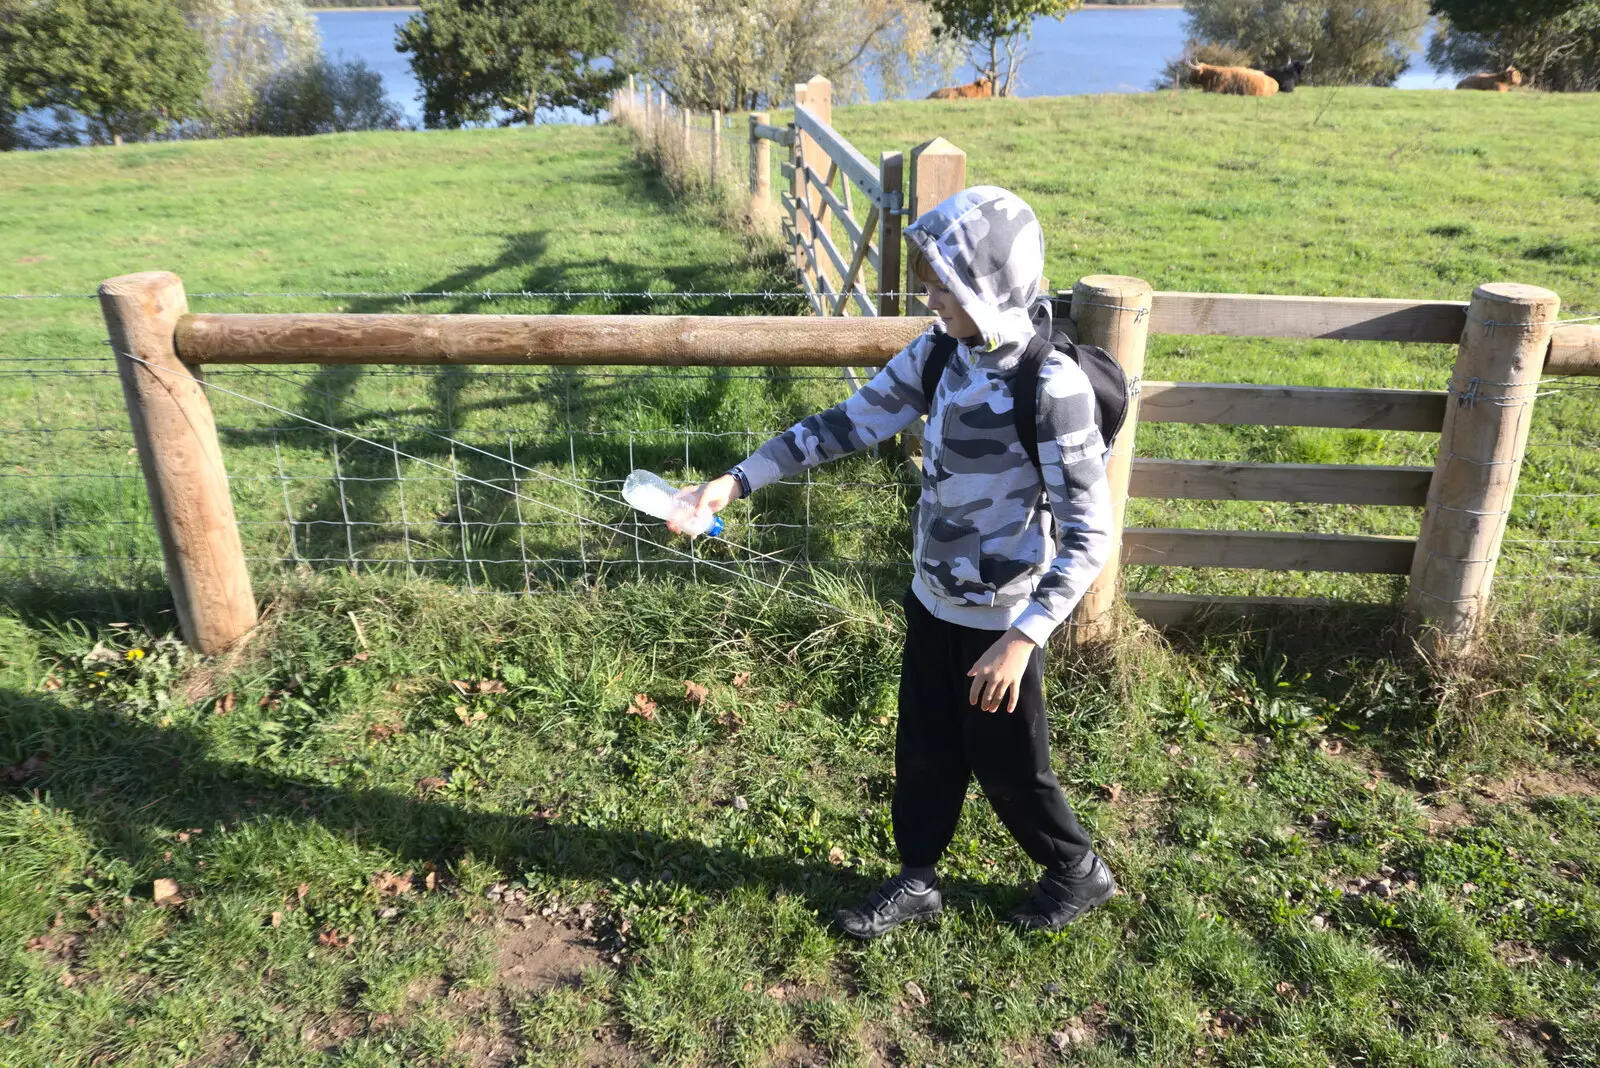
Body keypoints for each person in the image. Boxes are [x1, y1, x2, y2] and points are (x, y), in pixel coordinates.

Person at [673, 186, 1117, 937]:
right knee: (924, 752)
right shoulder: (942, 352)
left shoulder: (1052, 386)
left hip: (1003, 625)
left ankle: (1077, 871)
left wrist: (1023, 638)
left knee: (1010, 769)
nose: (928, 294)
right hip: (930, 598)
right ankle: (917, 880)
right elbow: (847, 423)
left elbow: (1087, 535)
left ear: (988, 282)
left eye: (942, 280)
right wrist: (733, 482)